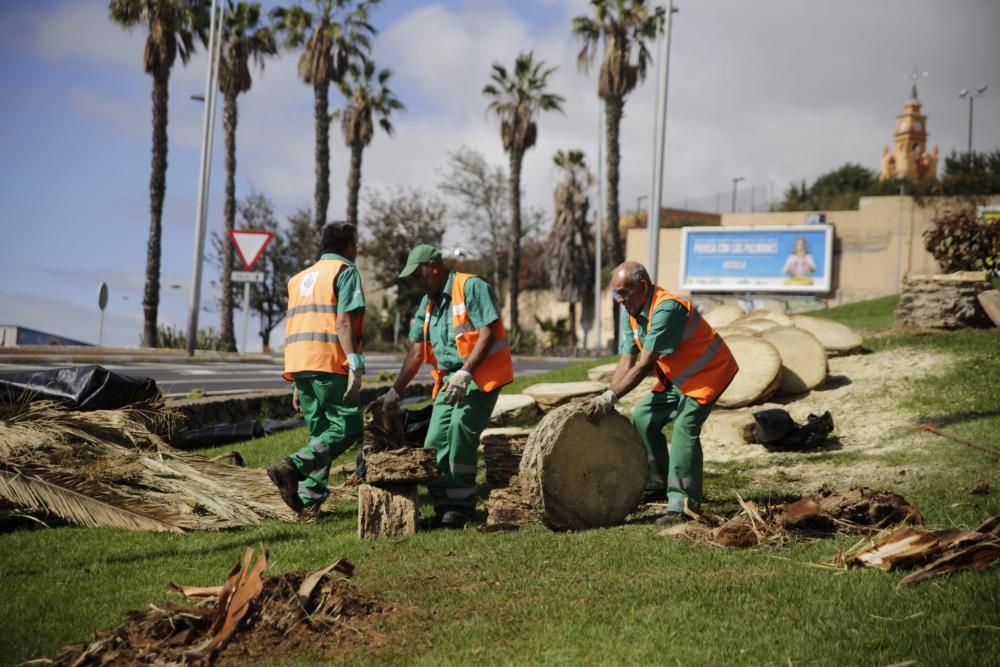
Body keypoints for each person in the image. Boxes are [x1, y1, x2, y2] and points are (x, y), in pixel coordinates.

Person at [584, 261, 738, 526]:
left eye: (623, 292)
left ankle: (682, 504)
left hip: (709, 373)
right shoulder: (630, 309)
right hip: (679, 378)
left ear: (642, 286)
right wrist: (607, 396)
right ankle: (657, 481)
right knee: (643, 418)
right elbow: (627, 361)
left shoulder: (667, 308)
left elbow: (644, 365)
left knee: (684, 430)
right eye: (616, 294)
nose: (619, 300)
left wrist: (610, 397)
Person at [372, 244, 513, 528]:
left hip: (479, 378)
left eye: (417, 274)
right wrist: (395, 391)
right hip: (450, 381)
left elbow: (488, 332)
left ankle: (461, 507)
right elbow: (416, 352)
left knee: (461, 432)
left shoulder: (471, 287)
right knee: (433, 441)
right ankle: (442, 503)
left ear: (434, 267)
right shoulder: (428, 304)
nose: (415, 282)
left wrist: (465, 373)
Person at [267, 222, 366, 519]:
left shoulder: (298, 279)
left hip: (300, 364)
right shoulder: (345, 272)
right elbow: (343, 321)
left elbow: (300, 323)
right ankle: (292, 467)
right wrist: (354, 361)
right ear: (349, 245)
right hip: (330, 361)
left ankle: (309, 501)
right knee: (349, 427)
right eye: (356, 244)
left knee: (321, 433)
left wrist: (297, 380)